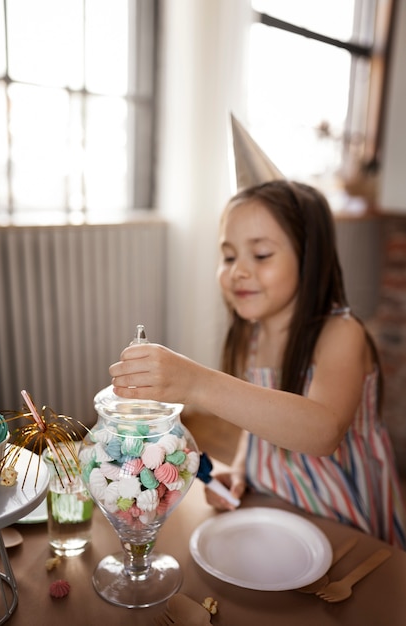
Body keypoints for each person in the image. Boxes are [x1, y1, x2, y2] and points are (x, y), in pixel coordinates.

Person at [110, 180, 406, 549]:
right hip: (276, 504)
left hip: (344, 523)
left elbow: (322, 432)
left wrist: (196, 383)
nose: (238, 271)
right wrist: (241, 468)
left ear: (310, 259)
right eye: (229, 257)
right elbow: (261, 415)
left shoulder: (341, 334)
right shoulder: (253, 334)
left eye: (262, 254)